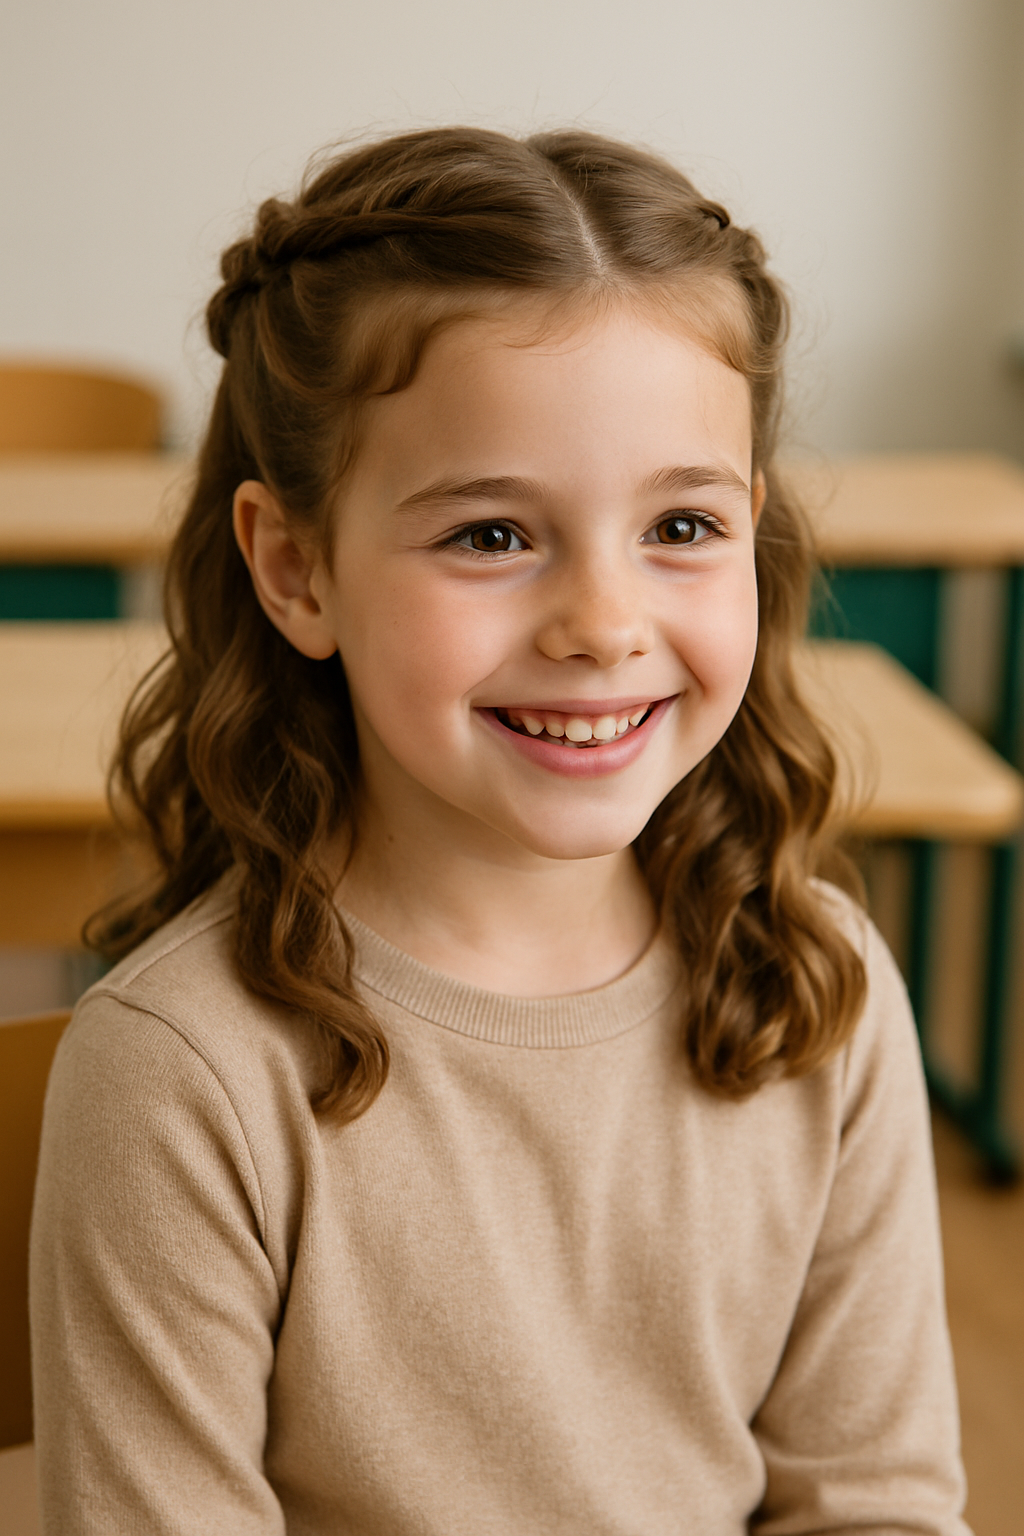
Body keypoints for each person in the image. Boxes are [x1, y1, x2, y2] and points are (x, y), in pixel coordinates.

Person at [30, 127, 969, 1534]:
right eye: (490, 536)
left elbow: (877, 1504)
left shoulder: (816, 985)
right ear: (296, 570)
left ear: (754, 530)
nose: (603, 624)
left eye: (684, 527)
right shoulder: (183, 1076)